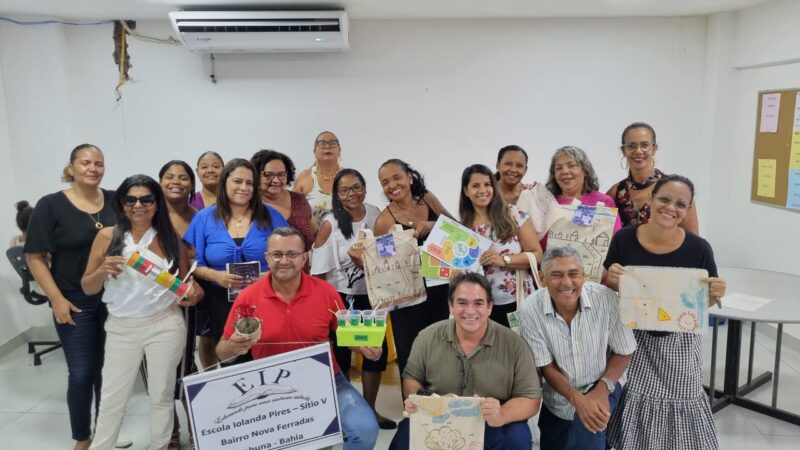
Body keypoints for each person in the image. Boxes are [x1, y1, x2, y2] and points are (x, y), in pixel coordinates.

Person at [216, 227, 380, 450]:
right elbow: (222, 353)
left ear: (304, 258)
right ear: (266, 258)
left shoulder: (326, 292)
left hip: (326, 380)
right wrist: (234, 347)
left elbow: (348, 335)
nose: (284, 261)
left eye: (292, 254)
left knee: (364, 429)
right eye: (277, 254)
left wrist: (364, 347)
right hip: (270, 388)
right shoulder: (247, 297)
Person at [603, 174, 726, 450]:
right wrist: (612, 276)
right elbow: (611, 283)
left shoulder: (699, 248)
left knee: (684, 400)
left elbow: (702, 301)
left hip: (680, 342)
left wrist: (715, 295)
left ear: (688, 209)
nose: (671, 208)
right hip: (634, 339)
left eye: (681, 204)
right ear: (651, 199)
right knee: (636, 398)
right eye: (665, 199)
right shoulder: (624, 239)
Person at [81, 175, 203, 450]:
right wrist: (101, 270)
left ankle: (160, 446)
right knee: (112, 398)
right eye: (131, 199)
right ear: (121, 203)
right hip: (121, 327)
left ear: (157, 203)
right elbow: (87, 287)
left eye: (146, 199)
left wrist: (192, 292)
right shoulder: (108, 236)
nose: (139, 205)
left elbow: (188, 286)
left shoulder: (169, 237)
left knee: (160, 394)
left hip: (164, 324)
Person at [24, 144, 118, 450]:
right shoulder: (51, 205)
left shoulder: (117, 200)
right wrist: (56, 299)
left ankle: (106, 433)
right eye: (86, 163)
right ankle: (83, 438)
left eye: (99, 163)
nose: (93, 168)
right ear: (72, 167)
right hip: (75, 299)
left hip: (116, 300)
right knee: (81, 372)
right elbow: (36, 257)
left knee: (109, 370)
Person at [388, 272, 542, 450]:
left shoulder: (514, 345)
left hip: (492, 420)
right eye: (462, 302)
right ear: (450, 306)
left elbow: (530, 398)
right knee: (404, 438)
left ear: (490, 307)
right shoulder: (427, 337)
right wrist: (418, 400)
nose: (470, 311)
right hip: (438, 417)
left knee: (517, 439)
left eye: (478, 303)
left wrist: (502, 414)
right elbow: (411, 379)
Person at [519, 246, 636, 450]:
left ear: (583, 275)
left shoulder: (607, 299)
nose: (567, 283)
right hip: (558, 399)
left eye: (573, 274)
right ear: (542, 278)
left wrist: (600, 392)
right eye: (556, 275)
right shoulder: (530, 310)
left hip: (604, 383)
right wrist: (578, 400)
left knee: (590, 427)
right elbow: (547, 367)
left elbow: (624, 351)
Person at [310, 169, 395, 429]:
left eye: (356, 187)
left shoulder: (374, 214)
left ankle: (370, 410)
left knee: (374, 355)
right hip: (341, 299)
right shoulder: (330, 223)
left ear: (365, 188)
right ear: (336, 195)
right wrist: (328, 309)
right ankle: (342, 413)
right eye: (344, 190)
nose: (351, 194)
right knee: (342, 356)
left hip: (373, 297)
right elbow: (318, 272)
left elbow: (387, 253)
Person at [184, 159, 289, 353]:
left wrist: (270, 277)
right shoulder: (204, 219)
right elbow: (190, 262)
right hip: (221, 303)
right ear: (225, 183)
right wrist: (216, 276)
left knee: (269, 354)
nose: (244, 188)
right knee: (232, 358)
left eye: (249, 183)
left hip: (269, 297)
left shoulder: (271, 215)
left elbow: (291, 255)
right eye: (237, 181)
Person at [373, 158, 453, 376]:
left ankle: (442, 403)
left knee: (442, 348)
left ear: (409, 177)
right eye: (385, 182)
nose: (392, 185)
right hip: (407, 298)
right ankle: (412, 408)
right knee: (411, 354)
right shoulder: (383, 222)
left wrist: (432, 225)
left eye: (396, 177)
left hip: (439, 289)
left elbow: (456, 231)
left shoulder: (427, 199)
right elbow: (385, 270)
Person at [459, 164, 542, 327]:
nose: (483, 190)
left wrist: (504, 260)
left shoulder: (512, 215)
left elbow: (537, 254)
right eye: (475, 186)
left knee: (523, 348)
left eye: (487, 184)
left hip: (519, 301)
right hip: (481, 308)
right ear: (466, 191)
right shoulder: (462, 229)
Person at [158, 160, 200, 449]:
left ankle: (199, 427)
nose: (177, 181)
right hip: (153, 303)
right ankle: (168, 431)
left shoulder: (200, 216)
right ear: (159, 181)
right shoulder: (149, 214)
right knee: (159, 368)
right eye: (170, 176)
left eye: (183, 177)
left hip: (188, 299)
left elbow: (203, 256)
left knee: (186, 366)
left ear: (191, 184)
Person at [606, 122, 700, 234]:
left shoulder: (676, 190)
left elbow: (693, 242)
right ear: (623, 150)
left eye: (645, 145)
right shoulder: (615, 193)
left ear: (654, 148)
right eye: (631, 146)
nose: (638, 151)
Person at [542, 145, 622, 249]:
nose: (565, 171)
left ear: (585, 170)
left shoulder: (603, 201)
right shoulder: (547, 202)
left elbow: (616, 239)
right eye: (559, 168)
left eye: (571, 166)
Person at [251, 149, 315, 250]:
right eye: (268, 175)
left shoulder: (299, 200)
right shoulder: (250, 204)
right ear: (256, 176)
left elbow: (315, 233)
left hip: (305, 263)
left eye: (281, 174)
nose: (276, 180)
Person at [293, 131, 342, 223]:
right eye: (322, 144)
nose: (328, 147)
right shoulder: (305, 176)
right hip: (311, 235)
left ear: (339, 151)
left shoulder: (349, 177)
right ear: (314, 152)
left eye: (333, 143)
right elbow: (293, 212)